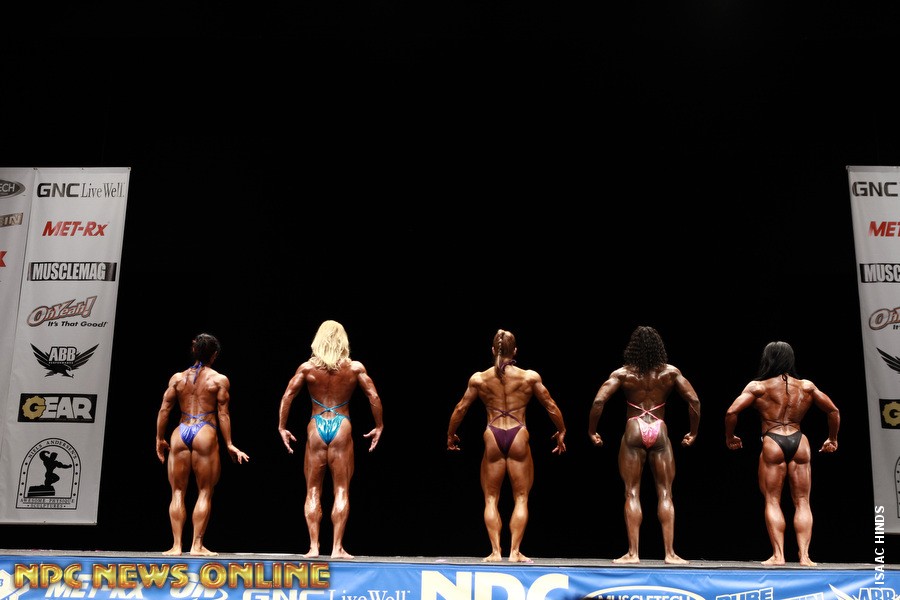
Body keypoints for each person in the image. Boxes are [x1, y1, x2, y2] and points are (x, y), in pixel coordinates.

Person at [447, 328, 567, 563]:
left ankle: (495, 552)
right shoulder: (528, 377)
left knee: (491, 498)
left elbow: (461, 408)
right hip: (518, 433)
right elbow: (550, 405)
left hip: (492, 434)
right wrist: (561, 430)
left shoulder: (479, 379)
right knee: (521, 497)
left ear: (493, 350)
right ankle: (514, 552)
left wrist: (451, 434)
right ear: (516, 351)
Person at [588, 325, 700, 565]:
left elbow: (598, 401)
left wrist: (592, 431)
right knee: (665, 492)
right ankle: (670, 554)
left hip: (633, 429)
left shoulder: (623, 374)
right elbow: (694, 400)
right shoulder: (670, 373)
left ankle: (633, 554)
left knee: (632, 491)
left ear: (633, 349)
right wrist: (693, 432)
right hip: (659, 429)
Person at [725, 340, 839, 567]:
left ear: (767, 360)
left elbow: (731, 412)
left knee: (772, 500)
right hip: (800, 441)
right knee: (803, 501)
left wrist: (730, 437)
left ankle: (778, 555)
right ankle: (805, 556)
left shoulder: (758, 387)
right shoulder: (806, 386)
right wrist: (832, 438)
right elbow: (833, 410)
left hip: (773, 440)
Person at [277, 319, 384, 559]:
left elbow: (287, 396)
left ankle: (314, 547)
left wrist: (282, 427)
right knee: (342, 489)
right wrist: (379, 426)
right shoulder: (354, 368)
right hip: (341, 425)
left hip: (316, 426)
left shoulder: (307, 368)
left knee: (312, 489)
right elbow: (374, 396)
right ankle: (337, 548)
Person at [155, 333, 250, 556]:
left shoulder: (177, 378)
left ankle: (176, 546)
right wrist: (229, 444)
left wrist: (159, 438)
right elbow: (223, 414)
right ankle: (196, 546)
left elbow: (164, 409)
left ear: (194, 350)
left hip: (181, 432)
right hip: (204, 431)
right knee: (205, 491)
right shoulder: (219, 380)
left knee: (177, 491)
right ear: (214, 355)